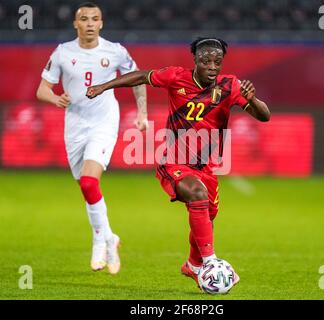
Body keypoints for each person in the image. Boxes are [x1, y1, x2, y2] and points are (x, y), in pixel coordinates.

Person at [86, 37, 270, 287]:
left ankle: (194, 265)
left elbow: (264, 116)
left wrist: (252, 99)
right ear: (196, 60)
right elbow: (141, 76)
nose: (213, 66)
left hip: (207, 168)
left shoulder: (231, 86)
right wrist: (103, 86)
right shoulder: (176, 77)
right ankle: (211, 262)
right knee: (196, 194)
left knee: (207, 215)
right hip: (173, 161)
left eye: (217, 61)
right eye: (206, 61)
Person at [36, 2, 148, 275]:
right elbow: (42, 89)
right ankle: (109, 236)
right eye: (83, 19)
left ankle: (100, 240)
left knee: (89, 181)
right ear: (75, 24)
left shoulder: (115, 51)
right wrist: (55, 98)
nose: (89, 23)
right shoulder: (63, 52)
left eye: (94, 19)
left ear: (101, 23)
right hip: (74, 125)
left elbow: (139, 78)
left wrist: (142, 112)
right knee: (87, 190)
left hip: (103, 121)